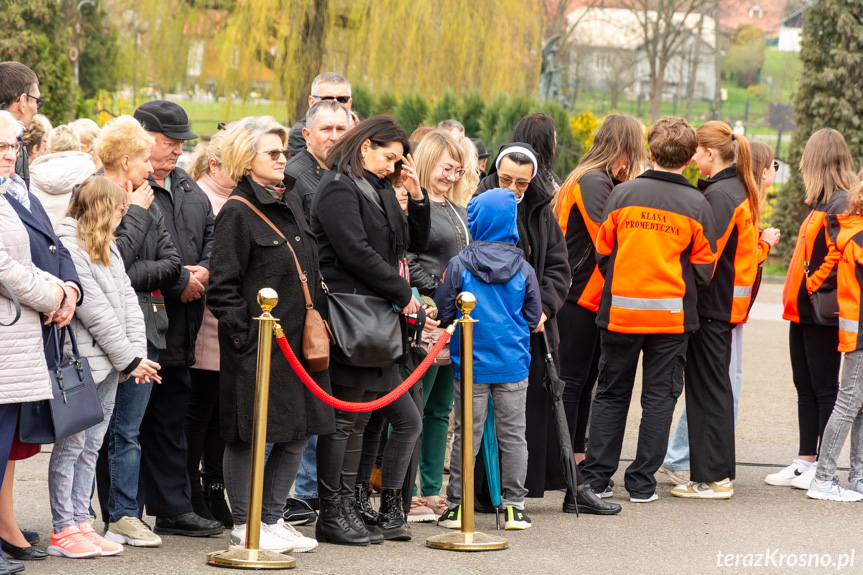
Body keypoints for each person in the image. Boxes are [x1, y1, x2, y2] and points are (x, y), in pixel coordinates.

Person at [207, 116, 333, 553]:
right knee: (249, 434)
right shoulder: (236, 213)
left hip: (298, 345)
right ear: (247, 159)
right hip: (259, 347)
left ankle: (273, 517)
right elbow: (221, 288)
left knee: (299, 431)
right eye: (273, 153)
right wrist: (246, 340)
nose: (284, 159)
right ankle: (245, 524)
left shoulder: (293, 200)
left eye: (284, 151)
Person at [581, 116, 717, 504]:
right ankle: (641, 483)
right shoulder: (696, 203)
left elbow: (603, 252)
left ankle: (597, 479)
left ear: (651, 152)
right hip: (671, 320)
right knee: (659, 399)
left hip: (621, 314)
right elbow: (704, 269)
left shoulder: (622, 195)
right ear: (690, 158)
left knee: (610, 394)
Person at [311, 115, 429, 545]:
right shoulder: (338, 187)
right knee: (346, 421)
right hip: (352, 316)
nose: (393, 166)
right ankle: (334, 510)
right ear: (365, 147)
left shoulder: (378, 187)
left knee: (368, 421)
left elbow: (407, 244)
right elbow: (354, 252)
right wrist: (404, 293)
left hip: (376, 319)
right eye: (389, 157)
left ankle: (351, 505)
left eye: (399, 160)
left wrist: (416, 196)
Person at [50, 176, 161, 559]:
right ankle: (63, 527)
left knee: (93, 445)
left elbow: (129, 304)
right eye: (119, 207)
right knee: (72, 446)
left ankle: (81, 520)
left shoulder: (107, 246)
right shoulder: (69, 244)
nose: (123, 213)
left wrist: (135, 357)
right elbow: (93, 309)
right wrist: (129, 358)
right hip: (83, 363)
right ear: (101, 208)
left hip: (112, 364)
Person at [659, 140, 781, 486]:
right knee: (717, 390)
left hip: (713, 307)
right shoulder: (734, 193)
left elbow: (707, 257)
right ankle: (716, 473)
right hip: (723, 308)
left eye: (697, 151)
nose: (693, 157)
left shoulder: (723, 195)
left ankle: (712, 478)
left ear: (711, 152)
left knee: (709, 392)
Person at [0, 66, 83, 559]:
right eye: (2, 148)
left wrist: (67, 288)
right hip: (11, 328)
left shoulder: (15, 187)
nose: (10, 155)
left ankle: (7, 529)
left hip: (20, 333)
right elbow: (5, 265)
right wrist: (53, 296)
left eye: (13, 148)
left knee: (8, 445)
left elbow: (46, 244)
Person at [90, 114, 181, 548]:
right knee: (102, 433)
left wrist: (130, 269)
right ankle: (114, 514)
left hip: (147, 328)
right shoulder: (93, 197)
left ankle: (125, 514)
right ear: (126, 160)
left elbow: (171, 263)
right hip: (106, 335)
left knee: (129, 430)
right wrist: (138, 217)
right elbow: (106, 263)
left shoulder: (148, 198)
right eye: (145, 158)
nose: (152, 167)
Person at [132, 100, 221, 537]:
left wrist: (201, 271)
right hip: (140, 324)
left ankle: (172, 508)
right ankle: (123, 513)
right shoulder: (126, 186)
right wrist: (180, 279)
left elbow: (211, 239)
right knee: (127, 427)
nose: (176, 152)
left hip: (182, 326)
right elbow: (124, 257)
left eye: (180, 144)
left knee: (170, 421)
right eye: (168, 143)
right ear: (142, 138)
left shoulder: (188, 188)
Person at [551, 114, 645, 512]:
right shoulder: (593, 181)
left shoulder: (595, 178)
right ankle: (569, 466)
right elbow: (609, 235)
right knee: (573, 383)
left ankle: (574, 459)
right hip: (576, 298)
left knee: (582, 382)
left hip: (582, 296)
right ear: (624, 150)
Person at [434, 188, 542, 530]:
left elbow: (445, 309)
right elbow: (533, 314)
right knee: (514, 436)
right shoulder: (523, 267)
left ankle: (457, 506)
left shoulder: (459, 263)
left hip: (470, 362)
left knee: (467, 434)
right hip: (511, 362)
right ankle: (515, 507)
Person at [474, 143, 570, 501]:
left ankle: (518, 491)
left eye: (521, 183)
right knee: (485, 417)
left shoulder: (541, 210)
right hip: (489, 329)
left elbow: (559, 266)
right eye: (506, 179)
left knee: (520, 417)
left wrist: (544, 307)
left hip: (532, 327)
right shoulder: (481, 202)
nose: (513, 189)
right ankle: (482, 494)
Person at [766, 128, 859, 489]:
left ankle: (821, 464)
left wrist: (813, 283)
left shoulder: (840, 202)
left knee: (823, 389)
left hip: (821, 310)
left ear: (816, 159)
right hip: (804, 310)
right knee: (805, 385)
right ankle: (806, 460)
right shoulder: (823, 201)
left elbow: (843, 253)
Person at [403, 131, 469, 522]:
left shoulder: (458, 207)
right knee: (416, 406)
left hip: (454, 317)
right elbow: (408, 256)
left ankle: (430, 489)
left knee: (441, 409)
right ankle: (405, 489)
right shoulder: (415, 204)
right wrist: (436, 294)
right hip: (428, 314)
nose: (452, 176)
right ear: (428, 161)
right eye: (446, 168)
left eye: (458, 170)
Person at [184, 131, 235, 529]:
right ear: (214, 164)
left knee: (221, 409)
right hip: (203, 317)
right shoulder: (201, 197)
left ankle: (214, 483)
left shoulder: (235, 197)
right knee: (199, 408)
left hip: (228, 318)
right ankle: (192, 487)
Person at [806, 181, 863, 501]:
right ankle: (824, 478)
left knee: (857, 405)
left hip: (857, 329)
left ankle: (857, 476)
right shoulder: (858, 236)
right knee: (848, 404)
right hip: (860, 332)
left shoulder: (853, 230)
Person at [285, 99, 352, 221]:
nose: (335, 137)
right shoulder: (291, 177)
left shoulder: (354, 171)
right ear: (307, 135)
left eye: (341, 129)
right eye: (326, 129)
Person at [29, 125, 96, 227]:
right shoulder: (89, 170)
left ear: (49, 147)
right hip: (76, 237)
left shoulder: (33, 173)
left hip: (43, 235)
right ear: (77, 147)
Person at [0, 62, 42, 189]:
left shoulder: (18, 142)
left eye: (13, 147)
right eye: (37, 101)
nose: (36, 109)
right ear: (23, 101)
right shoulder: (17, 149)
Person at [288, 73, 352, 154]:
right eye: (327, 99)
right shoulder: (299, 134)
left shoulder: (360, 130)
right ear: (312, 102)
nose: (335, 104)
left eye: (342, 99)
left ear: (350, 104)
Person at [511, 113, 562, 194]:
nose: (555, 143)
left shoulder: (546, 171)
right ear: (543, 142)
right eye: (554, 138)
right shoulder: (528, 179)